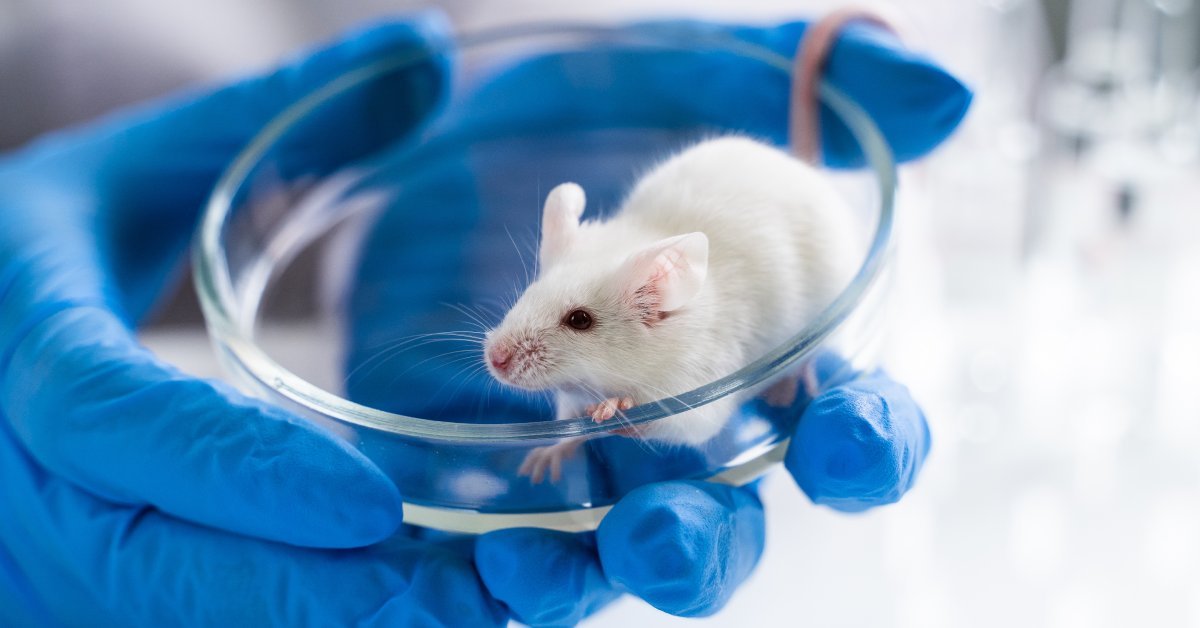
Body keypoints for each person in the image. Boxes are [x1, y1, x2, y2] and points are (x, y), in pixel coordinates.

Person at [0, 11, 964, 626]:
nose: (508, 349)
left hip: (779, 245)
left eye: (576, 325)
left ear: (660, 298)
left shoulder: (681, 322)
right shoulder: (599, 288)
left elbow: (698, 414)